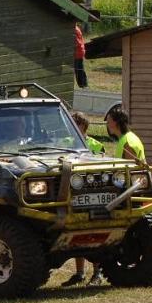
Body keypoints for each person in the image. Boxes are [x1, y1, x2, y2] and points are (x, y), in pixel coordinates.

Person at [62, 111, 105, 287]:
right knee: (77, 235)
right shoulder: (64, 143)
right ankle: (79, 273)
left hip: (93, 194)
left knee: (95, 235)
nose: (70, 128)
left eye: (74, 124)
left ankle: (97, 273)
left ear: (83, 126)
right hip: (73, 194)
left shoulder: (96, 145)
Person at [74, 22, 88, 89]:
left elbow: (77, 43)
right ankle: (83, 85)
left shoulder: (75, 30)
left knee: (78, 70)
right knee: (80, 69)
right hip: (80, 51)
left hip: (78, 52)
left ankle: (82, 85)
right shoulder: (76, 28)